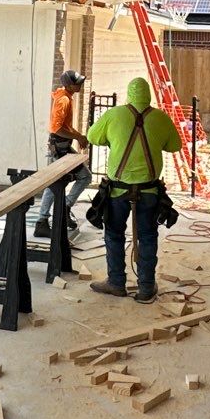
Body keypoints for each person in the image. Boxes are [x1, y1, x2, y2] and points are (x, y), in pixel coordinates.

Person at [85, 76, 181, 303]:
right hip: (149, 192)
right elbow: (175, 145)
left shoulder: (114, 115)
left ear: (129, 94)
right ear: (148, 95)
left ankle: (116, 283)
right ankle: (146, 287)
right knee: (147, 236)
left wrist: (115, 138)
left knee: (114, 234)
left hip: (117, 190)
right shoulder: (160, 118)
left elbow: (92, 137)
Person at [35, 68, 92, 237]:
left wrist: (79, 137)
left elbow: (65, 127)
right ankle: (43, 221)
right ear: (69, 84)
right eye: (77, 83)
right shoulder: (64, 100)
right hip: (59, 148)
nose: (80, 85)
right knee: (58, 183)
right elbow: (56, 128)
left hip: (62, 146)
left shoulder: (66, 97)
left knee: (78, 177)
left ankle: (62, 211)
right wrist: (78, 136)